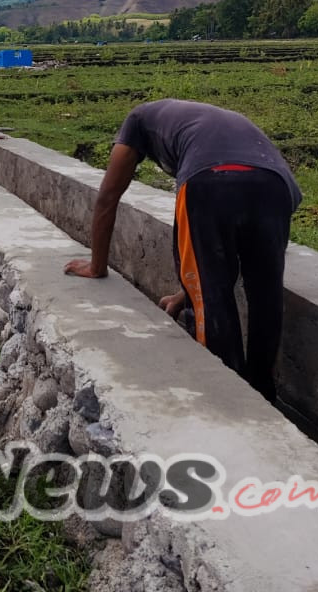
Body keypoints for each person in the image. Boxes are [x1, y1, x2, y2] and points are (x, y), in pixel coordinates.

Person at [63, 100, 301, 402]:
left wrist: (97, 266)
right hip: (275, 185)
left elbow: (108, 196)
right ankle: (264, 393)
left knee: (211, 303)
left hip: (207, 181)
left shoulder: (136, 119)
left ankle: (229, 398)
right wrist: (187, 291)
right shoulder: (220, 120)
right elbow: (252, 236)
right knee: (266, 295)